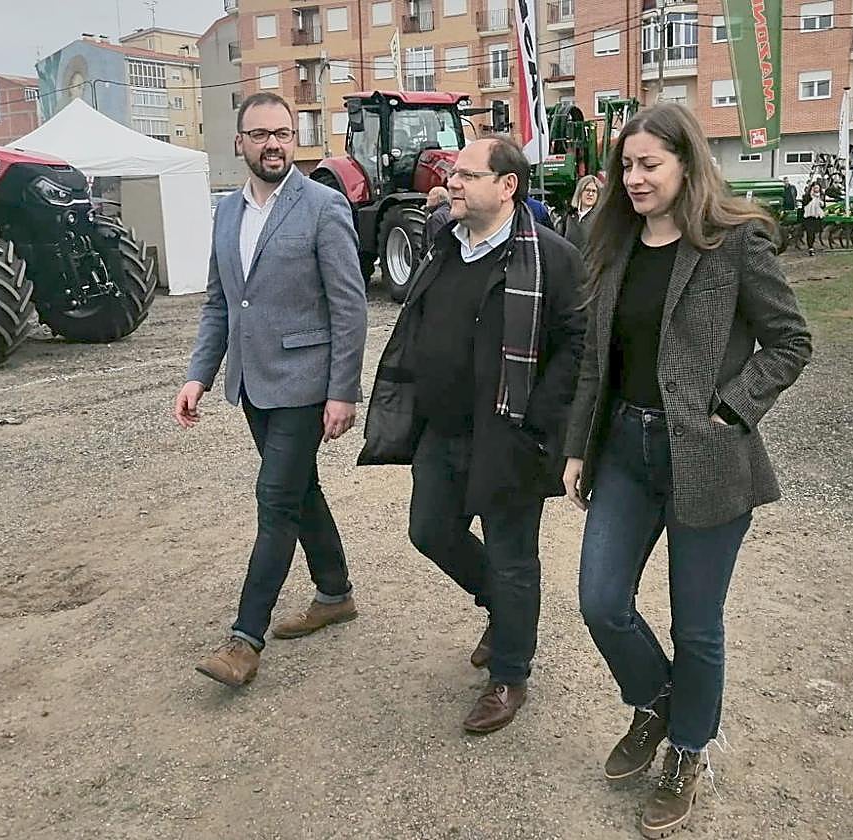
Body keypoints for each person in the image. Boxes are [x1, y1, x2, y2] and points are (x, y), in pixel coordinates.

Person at [561, 104, 812, 838]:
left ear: (685, 165)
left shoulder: (736, 243)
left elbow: (790, 343)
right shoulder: (609, 244)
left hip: (708, 458)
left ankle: (688, 750)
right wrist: (578, 447)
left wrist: (734, 411)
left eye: (650, 164)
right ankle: (658, 701)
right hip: (626, 455)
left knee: (697, 626)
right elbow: (591, 364)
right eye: (627, 165)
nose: (635, 178)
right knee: (601, 600)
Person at [359, 138, 585, 734]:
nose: (450, 182)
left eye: (465, 174)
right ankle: (504, 614)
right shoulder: (443, 242)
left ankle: (510, 672)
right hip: (442, 427)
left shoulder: (553, 259)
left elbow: (576, 346)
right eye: (453, 173)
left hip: (509, 434)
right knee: (430, 530)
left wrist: (541, 424)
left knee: (512, 558)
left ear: (507, 186)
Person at [174, 92, 369, 688]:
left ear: (294, 139)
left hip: (306, 385)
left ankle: (244, 640)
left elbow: (349, 305)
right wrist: (198, 375)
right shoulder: (227, 213)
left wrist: (343, 390)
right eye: (260, 134)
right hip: (253, 386)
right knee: (300, 491)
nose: (273, 143)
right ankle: (334, 592)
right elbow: (220, 303)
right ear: (240, 144)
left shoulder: (323, 206)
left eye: (282, 133)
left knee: (275, 501)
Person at [558, 175, 602, 252]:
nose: (590, 194)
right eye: (587, 190)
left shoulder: (600, 218)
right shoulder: (568, 216)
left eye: (594, 191)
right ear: (580, 192)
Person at [423, 186, 453, 251]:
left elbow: (435, 244)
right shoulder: (452, 213)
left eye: (429, 195)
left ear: (437, 198)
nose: (427, 198)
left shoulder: (436, 217)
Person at [802, 181, 825, 256]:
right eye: (815, 188)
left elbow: (823, 206)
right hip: (809, 216)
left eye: (817, 188)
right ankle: (810, 248)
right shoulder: (807, 196)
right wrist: (811, 196)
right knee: (810, 232)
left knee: (814, 232)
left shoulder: (821, 196)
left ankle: (812, 245)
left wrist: (821, 203)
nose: (816, 189)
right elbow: (804, 203)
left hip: (817, 216)